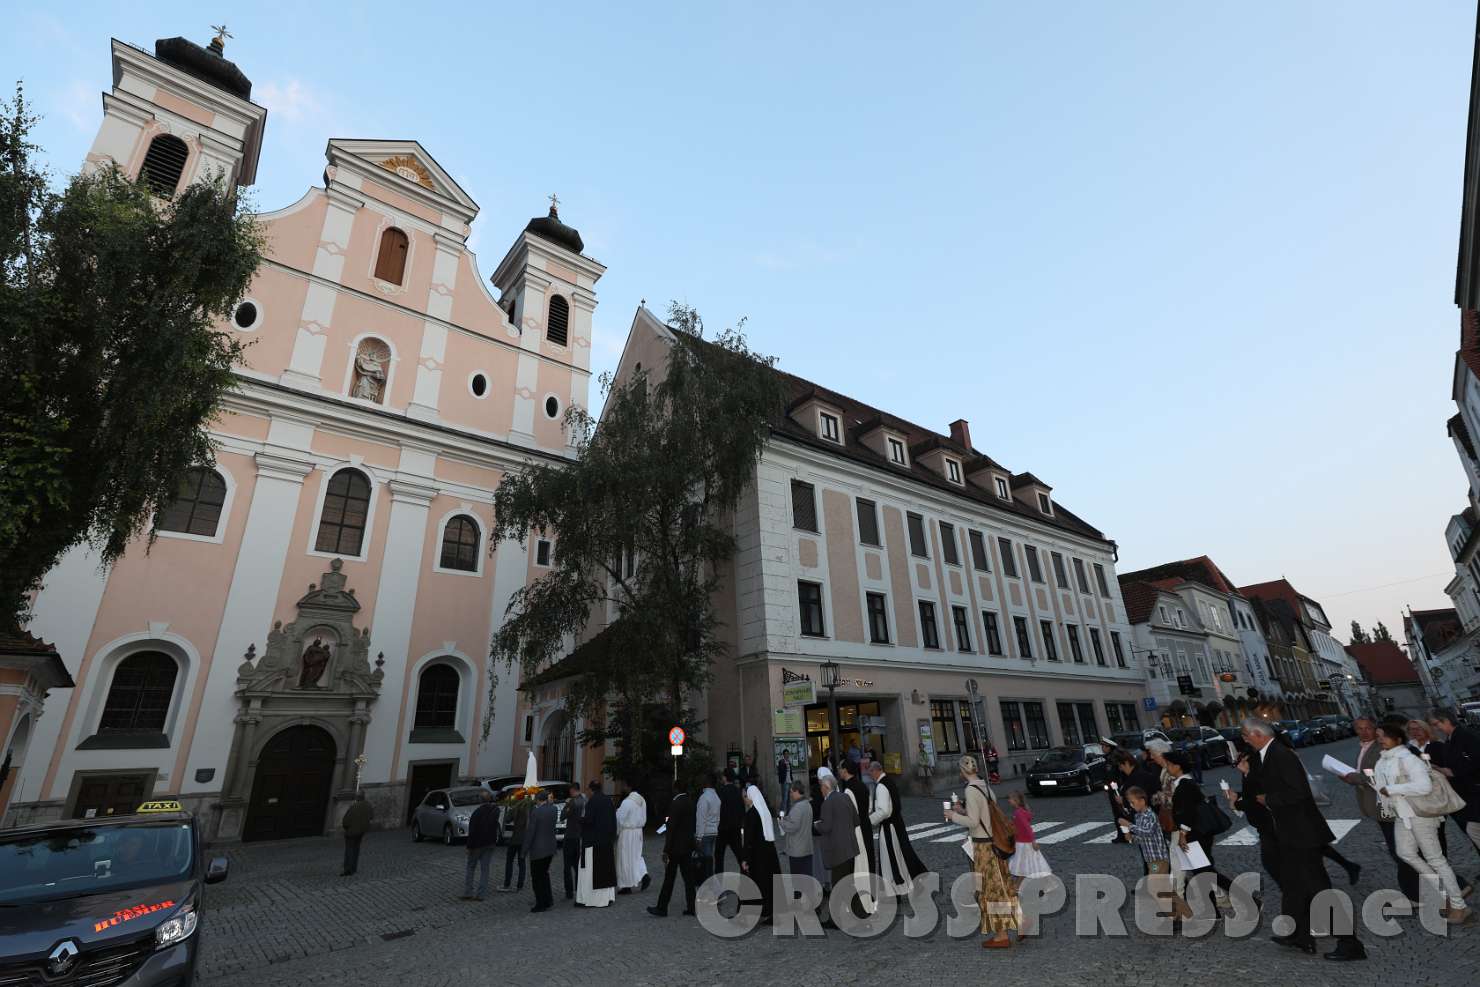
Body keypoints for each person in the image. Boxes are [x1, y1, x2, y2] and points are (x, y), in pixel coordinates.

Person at [1239, 716, 1365, 961]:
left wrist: (1269, 800)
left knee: (1318, 888)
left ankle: (1350, 943)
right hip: (1287, 832)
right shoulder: (1266, 755)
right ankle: (1298, 934)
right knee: (1294, 886)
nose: (1243, 739)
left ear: (1257, 734)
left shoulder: (1281, 754)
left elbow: (1299, 791)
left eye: (1245, 735)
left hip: (1302, 832)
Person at [1373, 721, 1471, 924]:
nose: (1380, 738)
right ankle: (1444, 895)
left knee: (1435, 859)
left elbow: (1424, 786)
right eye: (1379, 735)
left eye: (1385, 735)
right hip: (1402, 815)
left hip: (1421, 815)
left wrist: (1393, 790)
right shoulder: (1383, 760)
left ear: (1397, 739)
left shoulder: (1408, 758)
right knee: (1405, 853)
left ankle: (1459, 906)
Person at [944, 754, 1022, 948]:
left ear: (962, 771)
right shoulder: (985, 786)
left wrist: (953, 815)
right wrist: (963, 811)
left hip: (984, 846)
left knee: (991, 888)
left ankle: (1002, 934)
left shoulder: (970, 790)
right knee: (1004, 884)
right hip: (995, 843)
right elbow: (986, 814)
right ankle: (1020, 922)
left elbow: (974, 821)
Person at [1342, 716, 1419, 902]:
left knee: (1402, 851)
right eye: (1359, 728)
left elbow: (1378, 776)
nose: (1364, 731)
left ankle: (1418, 893)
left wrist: (1354, 778)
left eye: (1368, 728)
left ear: (1375, 728)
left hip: (1391, 806)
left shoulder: (1382, 747)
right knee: (1401, 851)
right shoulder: (1364, 747)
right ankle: (1415, 892)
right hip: (1381, 807)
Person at [1165, 751, 1233, 914]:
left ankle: (1249, 900)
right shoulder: (1185, 783)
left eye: (1168, 764)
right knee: (1203, 873)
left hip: (1195, 835)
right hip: (1198, 834)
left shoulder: (1185, 785)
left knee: (1206, 873)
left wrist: (1182, 834)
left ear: (1177, 766)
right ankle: (1214, 912)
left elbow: (1187, 813)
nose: (1167, 767)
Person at [1125, 785, 1191, 920]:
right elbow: (1144, 837)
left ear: (1142, 800)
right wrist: (1132, 838)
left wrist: (1129, 825)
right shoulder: (1138, 816)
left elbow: (1148, 832)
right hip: (1151, 859)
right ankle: (1185, 913)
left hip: (1158, 859)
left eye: (1133, 802)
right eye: (1130, 803)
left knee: (1155, 888)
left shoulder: (1150, 815)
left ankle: (1173, 917)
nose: (1131, 805)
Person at [866, 759, 927, 895]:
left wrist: (869, 821)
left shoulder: (881, 786)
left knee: (890, 859)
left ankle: (893, 889)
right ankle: (907, 884)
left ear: (875, 771)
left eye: (870, 772)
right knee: (902, 855)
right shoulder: (889, 781)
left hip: (889, 827)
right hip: (896, 824)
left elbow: (884, 811)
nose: (870, 775)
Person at [1431, 708, 1480, 874]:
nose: (1436, 728)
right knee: (1473, 830)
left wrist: (1453, 771)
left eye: (1436, 724)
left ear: (1445, 720)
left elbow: (1476, 760)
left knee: (1474, 830)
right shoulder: (1451, 739)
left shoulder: (1465, 735)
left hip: (1475, 791)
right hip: (1468, 792)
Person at [813, 769, 862, 924]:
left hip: (838, 851)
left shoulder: (828, 803)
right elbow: (856, 821)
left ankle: (835, 919)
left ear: (827, 788)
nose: (820, 789)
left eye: (821, 787)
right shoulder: (845, 797)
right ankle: (859, 912)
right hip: (850, 848)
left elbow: (826, 827)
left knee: (839, 885)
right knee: (848, 883)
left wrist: (816, 825)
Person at [649, 786, 698, 918]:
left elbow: (671, 828)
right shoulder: (690, 802)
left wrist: (666, 849)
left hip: (676, 848)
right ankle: (692, 906)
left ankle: (662, 907)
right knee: (688, 879)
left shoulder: (676, 803)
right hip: (687, 846)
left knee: (669, 878)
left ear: (675, 790)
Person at [741, 784, 782, 922]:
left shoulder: (751, 814)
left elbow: (748, 838)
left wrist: (745, 858)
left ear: (751, 797)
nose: (745, 799)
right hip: (769, 852)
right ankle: (770, 910)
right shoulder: (765, 811)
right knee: (769, 882)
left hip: (757, 854)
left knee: (756, 883)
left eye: (746, 796)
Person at [576, 780, 617, 908]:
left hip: (593, 842)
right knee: (606, 871)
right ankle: (608, 898)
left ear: (591, 790)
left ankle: (591, 899)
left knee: (591, 871)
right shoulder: (608, 800)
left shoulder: (592, 802)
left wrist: (579, 819)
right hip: (606, 841)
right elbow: (613, 820)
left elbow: (589, 820)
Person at [837, 760, 877, 877]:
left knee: (860, 861)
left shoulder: (849, 790)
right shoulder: (862, 785)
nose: (839, 771)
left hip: (857, 830)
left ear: (845, 770)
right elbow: (869, 808)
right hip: (866, 825)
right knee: (868, 858)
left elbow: (849, 815)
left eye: (840, 768)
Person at [1006, 791, 1051, 884]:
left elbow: (1027, 828)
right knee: (1028, 865)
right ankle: (1017, 887)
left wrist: (1033, 841)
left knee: (1023, 866)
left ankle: (1017, 887)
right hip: (1023, 842)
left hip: (1023, 844)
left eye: (1010, 799)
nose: (1008, 801)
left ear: (1016, 800)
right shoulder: (1020, 812)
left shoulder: (1018, 813)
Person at [462, 790, 499, 901]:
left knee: (471, 867)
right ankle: (481, 894)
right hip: (490, 843)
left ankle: (468, 892)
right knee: (485, 869)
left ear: (480, 800)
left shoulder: (477, 813)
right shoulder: (495, 810)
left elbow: (472, 831)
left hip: (477, 844)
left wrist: (469, 846)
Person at [526, 790, 559, 912]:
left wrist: (524, 850)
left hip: (538, 850)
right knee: (544, 875)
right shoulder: (553, 809)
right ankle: (548, 900)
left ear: (538, 799)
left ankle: (541, 903)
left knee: (537, 878)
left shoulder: (536, 812)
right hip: (550, 847)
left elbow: (530, 833)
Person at [777, 780, 814, 881]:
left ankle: (799, 896)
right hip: (806, 847)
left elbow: (792, 827)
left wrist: (781, 822)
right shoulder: (807, 804)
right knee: (807, 876)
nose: (790, 794)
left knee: (798, 879)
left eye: (791, 792)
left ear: (797, 791)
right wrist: (787, 818)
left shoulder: (798, 807)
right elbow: (797, 820)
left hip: (797, 850)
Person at [615, 784, 649, 894]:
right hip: (638, 832)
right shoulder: (642, 800)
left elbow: (619, 819)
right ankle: (644, 875)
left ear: (629, 787)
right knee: (636, 857)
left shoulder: (627, 802)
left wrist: (616, 831)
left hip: (627, 832)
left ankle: (626, 886)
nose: (622, 788)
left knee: (625, 858)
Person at [499, 793, 530, 893]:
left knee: (509, 862)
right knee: (522, 862)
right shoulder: (529, 809)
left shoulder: (515, 809)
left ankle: (507, 884)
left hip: (515, 839)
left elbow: (507, 819)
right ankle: (520, 885)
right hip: (524, 839)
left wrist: (509, 808)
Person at [695, 773, 721, 886]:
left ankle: (717, 892)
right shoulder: (716, 797)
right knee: (708, 863)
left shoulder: (704, 798)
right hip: (713, 832)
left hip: (705, 834)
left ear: (707, 782)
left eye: (703, 779)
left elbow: (701, 819)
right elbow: (718, 817)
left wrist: (698, 837)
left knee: (706, 865)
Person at [340, 791, 373, 877]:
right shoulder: (368, 806)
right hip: (361, 831)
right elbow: (371, 816)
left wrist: (346, 827)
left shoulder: (354, 806)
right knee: (356, 849)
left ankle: (348, 869)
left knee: (349, 850)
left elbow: (346, 821)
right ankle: (354, 867)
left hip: (351, 832)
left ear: (357, 797)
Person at [562, 783, 585, 900]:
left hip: (570, 836)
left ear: (572, 790)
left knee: (567, 866)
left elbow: (563, 816)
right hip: (580, 836)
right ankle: (579, 888)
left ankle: (569, 891)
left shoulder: (572, 802)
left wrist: (566, 804)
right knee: (577, 866)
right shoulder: (584, 800)